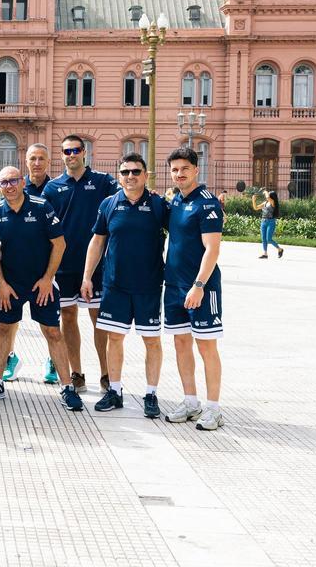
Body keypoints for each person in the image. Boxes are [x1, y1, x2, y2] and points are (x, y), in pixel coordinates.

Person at [0, 166, 81, 411]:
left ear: (22, 182)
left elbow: (60, 244)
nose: (9, 186)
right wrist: (1, 283)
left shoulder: (41, 207)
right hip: (10, 285)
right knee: (3, 329)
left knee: (53, 332)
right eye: (3, 182)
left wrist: (48, 278)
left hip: (41, 283)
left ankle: (67, 387)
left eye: (13, 180)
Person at [81, 153, 169, 418]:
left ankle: (151, 394)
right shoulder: (109, 204)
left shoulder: (158, 205)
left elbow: (180, 235)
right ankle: (115, 391)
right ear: (119, 176)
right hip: (115, 286)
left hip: (149, 286)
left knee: (151, 341)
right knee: (114, 338)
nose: (130, 176)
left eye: (135, 172)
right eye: (125, 172)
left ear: (145, 175)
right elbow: (97, 242)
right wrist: (87, 277)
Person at [44, 135, 118, 393]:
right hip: (64, 266)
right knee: (68, 316)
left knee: (100, 320)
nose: (71, 155)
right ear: (62, 154)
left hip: (97, 266)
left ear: (84, 152)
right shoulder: (52, 188)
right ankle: (76, 373)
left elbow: (122, 206)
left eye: (75, 150)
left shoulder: (103, 182)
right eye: (66, 151)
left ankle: (107, 375)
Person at [162, 147, 225, 431]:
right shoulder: (176, 201)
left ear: (196, 170)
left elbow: (212, 249)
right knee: (181, 343)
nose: (179, 174)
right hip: (174, 285)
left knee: (206, 346)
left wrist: (199, 285)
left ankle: (213, 408)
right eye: (174, 169)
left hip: (201, 288)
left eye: (184, 168)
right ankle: (190, 402)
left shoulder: (207, 203)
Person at [252, 191, 283, 259]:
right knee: (263, 239)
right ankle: (265, 254)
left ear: (272, 197)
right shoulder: (265, 203)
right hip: (263, 221)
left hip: (271, 222)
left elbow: (268, 197)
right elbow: (256, 208)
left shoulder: (273, 202)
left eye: (269, 195)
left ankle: (279, 249)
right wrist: (253, 200)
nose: (267, 196)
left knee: (269, 239)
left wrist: (266, 192)